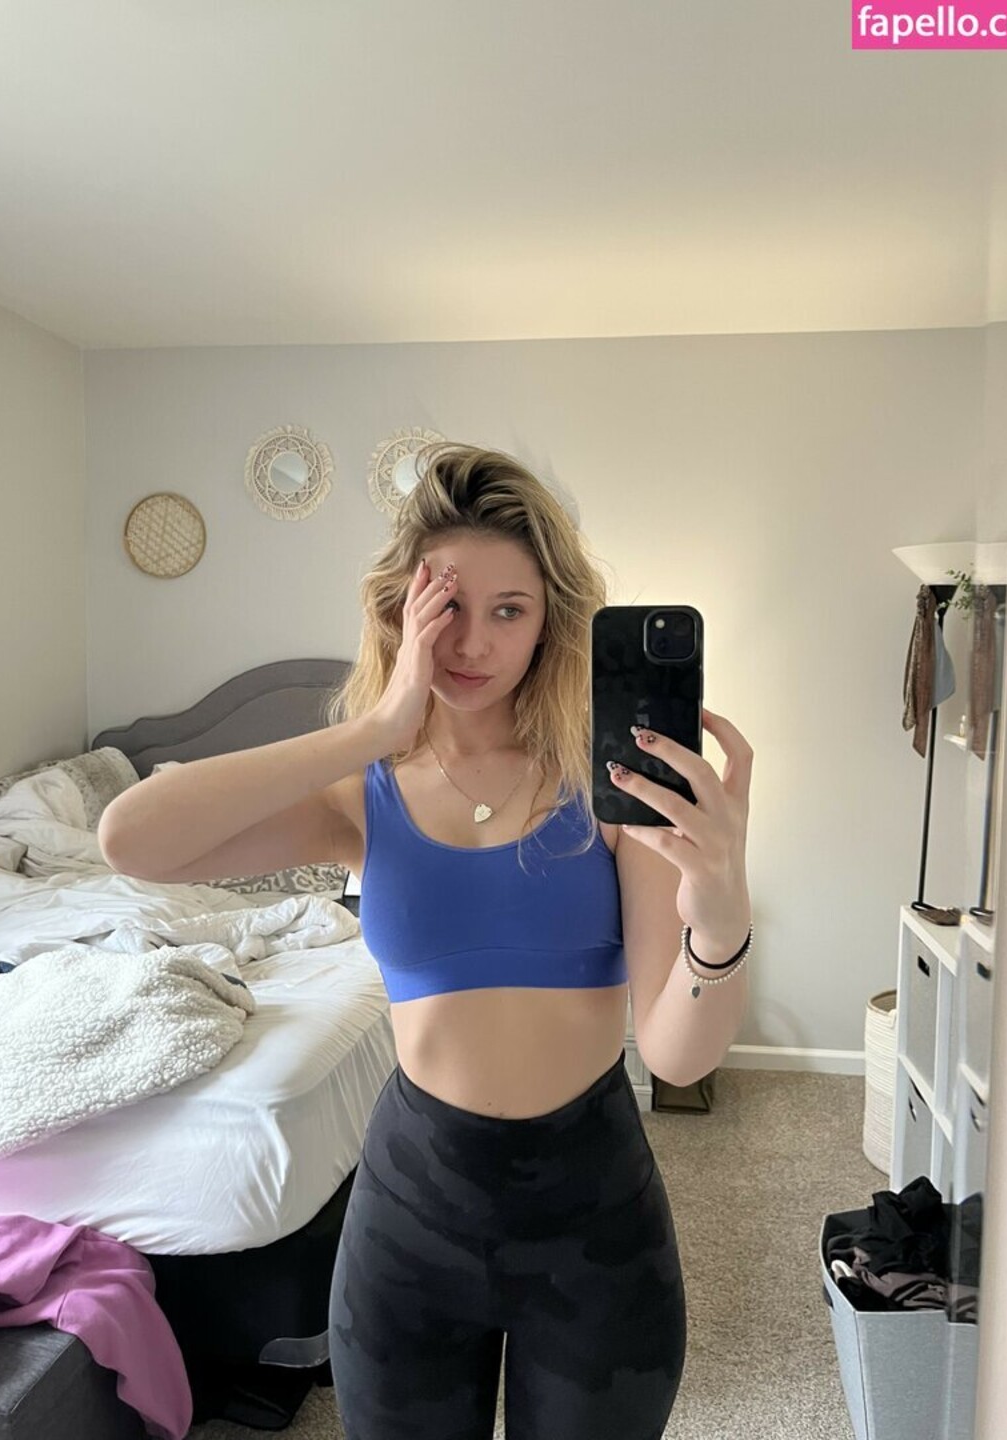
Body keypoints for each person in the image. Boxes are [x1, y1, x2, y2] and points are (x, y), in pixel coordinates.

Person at [99, 442, 753, 1440]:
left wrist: (722, 909)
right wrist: (377, 727)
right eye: (446, 605)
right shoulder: (358, 792)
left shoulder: (609, 788)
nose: (472, 642)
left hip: (594, 1225)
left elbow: (677, 1054)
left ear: (551, 621)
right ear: (401, 611)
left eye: (509, 610)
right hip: (413, 1220)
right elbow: (130, 840)